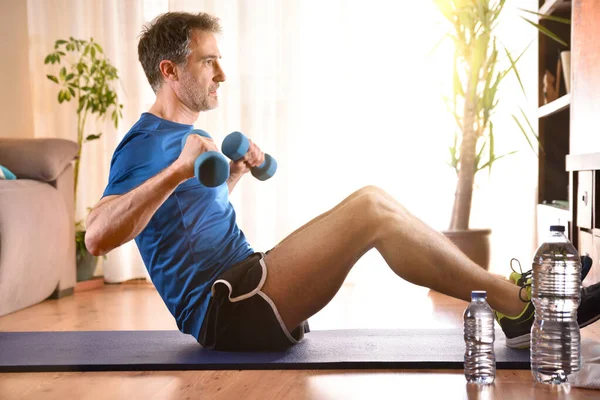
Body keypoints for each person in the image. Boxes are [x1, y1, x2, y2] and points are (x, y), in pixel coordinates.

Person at [85, 11, 600, 351]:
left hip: (246, 279)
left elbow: (184, 222)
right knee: (370, 208)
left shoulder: (184, 137)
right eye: (208, 61)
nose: (221, 74)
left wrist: (232, 177)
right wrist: (178, 169)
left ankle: (513, 296)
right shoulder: (146, 143)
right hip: (226, 309)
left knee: (374, 203)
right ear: (170, 71)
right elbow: (97, 234)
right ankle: (517, 309)